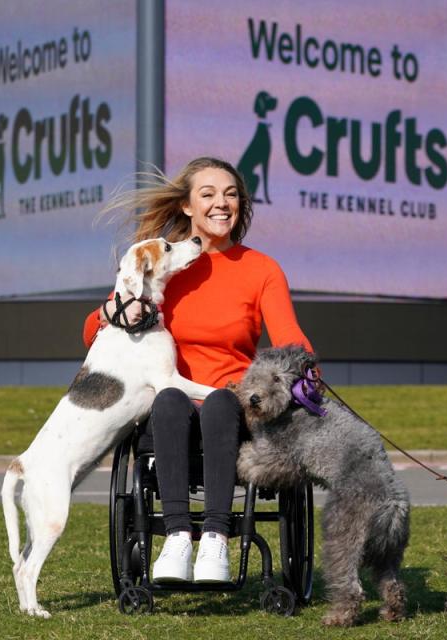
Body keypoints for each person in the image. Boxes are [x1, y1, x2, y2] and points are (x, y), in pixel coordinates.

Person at [82, 157, 313, 583]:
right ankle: (175, 539)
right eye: (208, 194)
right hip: (171, 411)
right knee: (169, 399)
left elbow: (291, 342)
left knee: (222, 401)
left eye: (230, 194)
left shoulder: (261, 269)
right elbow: (92, 331)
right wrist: (111, 313)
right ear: (187, 206)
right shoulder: (166, 261)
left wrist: (305, 374)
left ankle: (214, 541)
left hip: (235, 411)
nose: (221, 204)